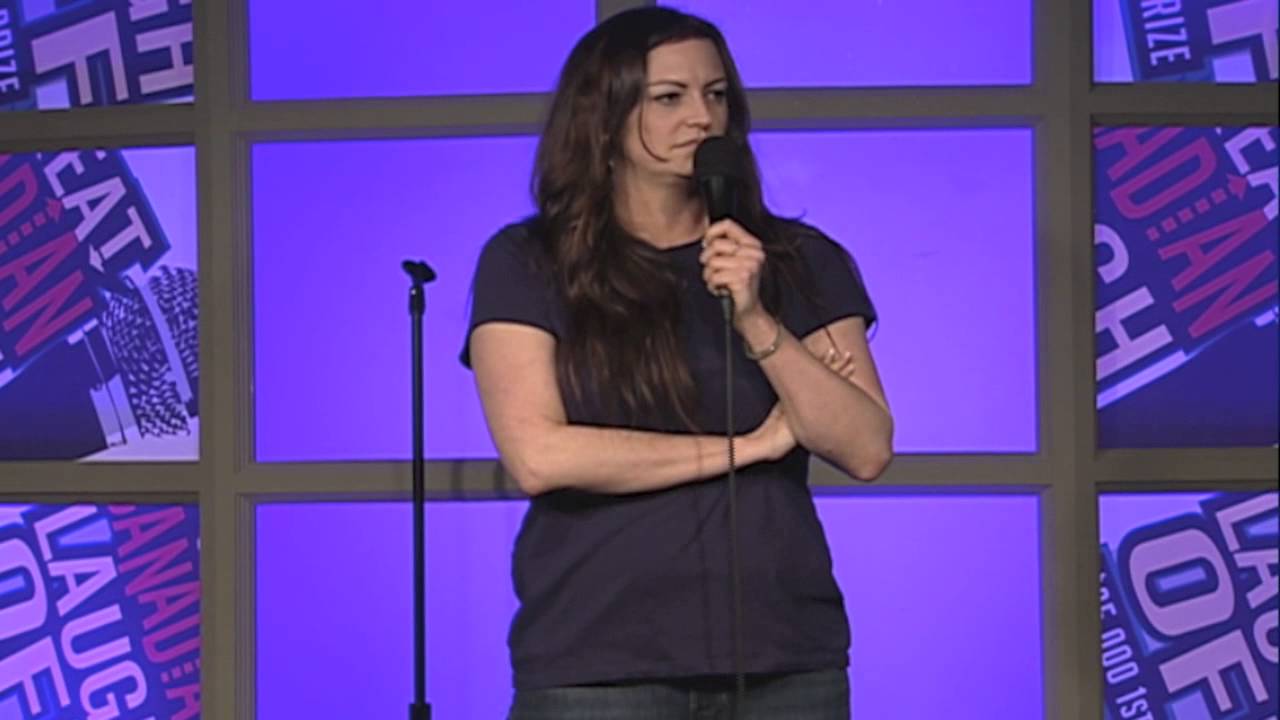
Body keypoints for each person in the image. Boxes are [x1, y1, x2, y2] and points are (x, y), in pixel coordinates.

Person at [461, 6, 893, 719]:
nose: (702, 117)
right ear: (604, 117)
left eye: (716, 94)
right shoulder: (529, 262)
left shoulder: (797, 260)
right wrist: (749, 447)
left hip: (785, 658)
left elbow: (867, 445)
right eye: (670, 97)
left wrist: (756, 318)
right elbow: (538, 455)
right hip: (598, 664)